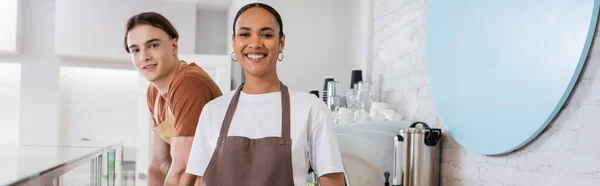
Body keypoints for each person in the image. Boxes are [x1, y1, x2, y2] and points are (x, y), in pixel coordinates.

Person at [186, 3, 346, 186]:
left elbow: (332, 182)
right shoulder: (213, 111)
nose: (254, 44)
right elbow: (200, 181)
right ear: (234, 42)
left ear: (281, 43)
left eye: (267, 35)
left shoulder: (311, 108)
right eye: (245, 34)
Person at [124, 12, 223, 186]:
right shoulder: (153, 93)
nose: (143, 57)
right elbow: (159, 163)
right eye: (135, 50)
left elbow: (183, 170)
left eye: (153, 45)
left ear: (174, 46)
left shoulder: (189, 83)